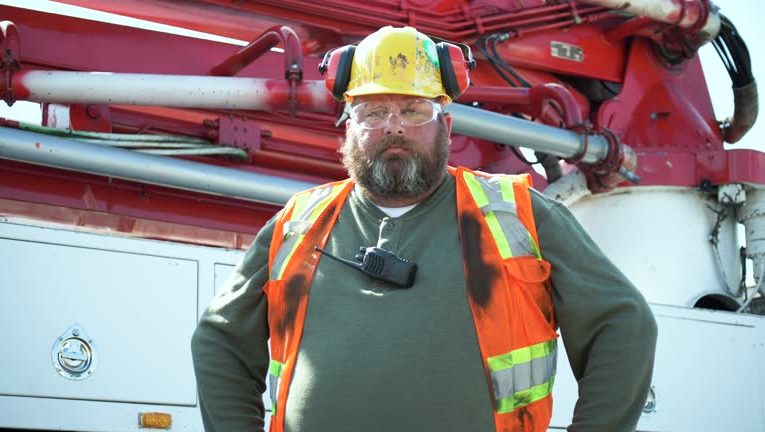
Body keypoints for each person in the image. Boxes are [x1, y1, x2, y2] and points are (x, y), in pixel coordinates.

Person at [191, 26, 657, 432]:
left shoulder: (518, 213)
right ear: (348, 129)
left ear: (447, 126)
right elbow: (220, 338)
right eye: (372, 112)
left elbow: (623, 323)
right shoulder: (297, 222)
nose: (394, 127)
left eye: (414, 111)